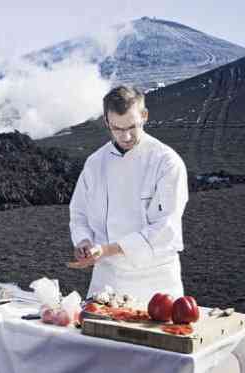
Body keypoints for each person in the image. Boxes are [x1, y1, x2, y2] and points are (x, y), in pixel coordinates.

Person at [68, 85, 189, 302]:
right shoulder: (95, 163)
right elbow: (79, 213)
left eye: (132, 127)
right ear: (106, 122)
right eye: (117, 128)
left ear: (144, 116)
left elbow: (166, 226)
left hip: (155, 281)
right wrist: (84, 241)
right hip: (107, 279)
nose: (126, 136)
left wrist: (108, 249)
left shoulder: (166, 162)